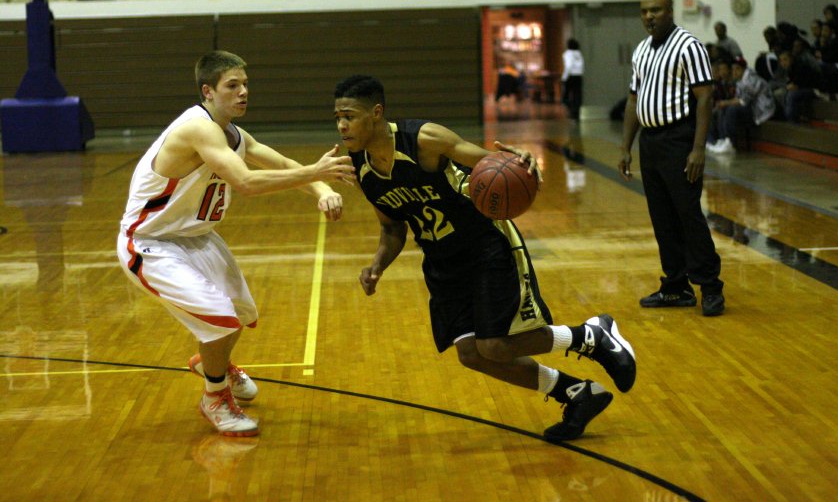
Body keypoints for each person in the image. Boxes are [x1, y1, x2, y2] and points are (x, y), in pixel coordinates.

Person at [333, 75, 637, 442]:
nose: (341, 125)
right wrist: (377, 265)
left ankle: (590, 335)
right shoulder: (362, 168)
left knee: (494, 344)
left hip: (484, 245)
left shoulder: (424, 140)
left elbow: (491, 161)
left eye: (348, 116)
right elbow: (393, 228)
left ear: (376, 113)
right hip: (443, 262)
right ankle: (576, 393)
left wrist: (518, 159)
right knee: (471, 354)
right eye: (337, 117)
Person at [117, 50, 355, 437]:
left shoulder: (233, 134)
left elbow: (277, 162)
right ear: (208, 91)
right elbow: (245, 182)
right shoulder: (198, 129)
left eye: (245, 84)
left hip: (197, 238)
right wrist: (316, 171)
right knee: (220, 319)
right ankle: (214, 396)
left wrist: (319, 187)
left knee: (240, 314)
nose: (244, 92)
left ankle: (213, 364)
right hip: (151, 242)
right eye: (233, 85)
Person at [617, 0, 725, 317]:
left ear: (670, 11)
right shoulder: (640, 51)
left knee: (688, 214)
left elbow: (705, 99)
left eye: (656, 10)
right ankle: (676, 286)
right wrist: (625, 146)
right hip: (650, 142)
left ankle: (710, 287)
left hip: (680, 140)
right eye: (644, 11)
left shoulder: (689, 46)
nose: (649, 16)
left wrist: (697, 149)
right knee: (662, 217)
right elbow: (634, 101)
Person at [706, 57, 775, 154]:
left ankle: (730, 142)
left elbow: (743, 101)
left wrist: (725, 103)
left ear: (742, 69)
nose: (734, 72)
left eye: (736, 69)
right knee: (722, 109)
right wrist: (723, 104)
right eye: (733, 69)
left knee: (731, 110)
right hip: (753, 107)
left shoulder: (750, 79)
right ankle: (723, 140)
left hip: (762, 111)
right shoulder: (740, 80)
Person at [561, 38, 584, 120]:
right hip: (578, 76)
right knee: (577, 95)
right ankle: (576, 112)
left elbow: (568, 66)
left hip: (570, 76)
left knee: (565, 97)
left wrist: (564, 78)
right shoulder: (579, 54)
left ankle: (572, 110)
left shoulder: (567, 54)